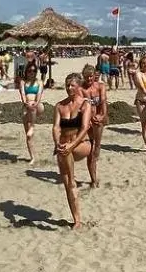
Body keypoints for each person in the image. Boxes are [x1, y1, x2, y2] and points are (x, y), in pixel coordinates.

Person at [52, 74, 93, 231]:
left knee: (69, 175)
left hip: (82, 144)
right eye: (67, 85)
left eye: (72, 85)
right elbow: (56, 127)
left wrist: (71, 145)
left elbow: (84, 128)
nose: (69, 88)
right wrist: (57, 144)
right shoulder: (59, 106)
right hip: (63, 148)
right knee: (67, 184)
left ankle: (73, 179)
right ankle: (76, 219)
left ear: (78, 86)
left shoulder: (84, 104)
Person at [81, 63, 105, 188]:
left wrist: (102, 115)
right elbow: (78, 107)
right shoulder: (81, 89)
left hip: (98, 121)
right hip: (87, 122)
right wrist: (87, 119)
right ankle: (94, 179)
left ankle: (94, 176)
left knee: (97, 149)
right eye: (86, 77)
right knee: (91, 152)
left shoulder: (100, 86)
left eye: (91, 76)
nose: (89, 79)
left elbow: (104, 104)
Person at [18, 62, 43, 164]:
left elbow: (39, 94)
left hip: (38, 106)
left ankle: (32, 125)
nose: (31, 73)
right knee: (28, 136)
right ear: (26, 71)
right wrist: (25, 102)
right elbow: (23, 94)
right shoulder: (23, 82)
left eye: (34, 71)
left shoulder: (39, 82)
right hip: (27, 108)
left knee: (32, 104)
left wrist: (35, 103)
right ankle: (32, 157)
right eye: (29, 71)